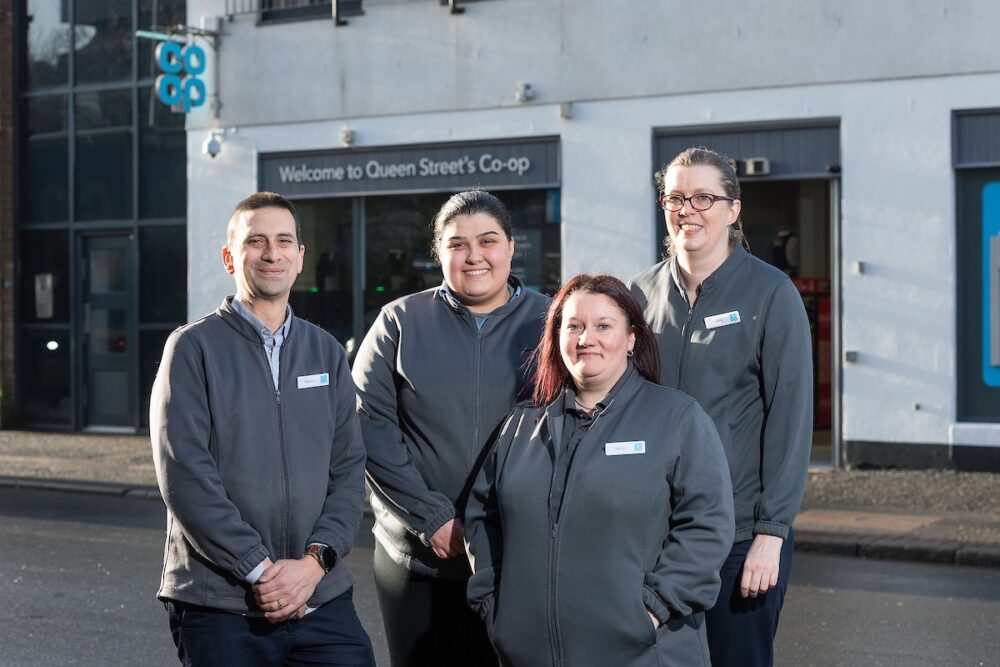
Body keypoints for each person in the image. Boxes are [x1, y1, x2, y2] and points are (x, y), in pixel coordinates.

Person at [150, 192, 375, 666]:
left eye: (283, 241)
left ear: (299, 258)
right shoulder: (192, 349)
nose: (272, 253)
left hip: (320, 597)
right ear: (230, 256)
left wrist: (314, 565)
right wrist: (261, 571)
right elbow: (185, 476)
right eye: (256, 241)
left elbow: (349, 469)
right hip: (222, 603)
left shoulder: (326, 352)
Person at [464, 274, 735, 667]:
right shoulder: (520, 427)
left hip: (644, 653)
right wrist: (495, 604)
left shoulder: (677, 419)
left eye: (603, 326)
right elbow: (482, 517)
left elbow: (707, 524)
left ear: (631, 340)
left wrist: (653, 609)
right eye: (573, 325)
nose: (585, 338)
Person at [630, 146, 814, 667]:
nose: (688, 209)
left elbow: (791, 419)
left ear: (733, 209)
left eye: (704, 198)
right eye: (675, 198)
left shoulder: (771, 294)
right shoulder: (639, 296)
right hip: (656, 535)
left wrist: (771, 534)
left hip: (737, 538)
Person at [352, 190, 550, 666]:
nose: (474, 256)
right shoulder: (399, 321)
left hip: (519, 556)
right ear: (438, 252)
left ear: (510, 246)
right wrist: (429, 517)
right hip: (416, 558)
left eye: (487, 240)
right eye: (457, 244)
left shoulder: (552, 322)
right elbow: (366, 424)